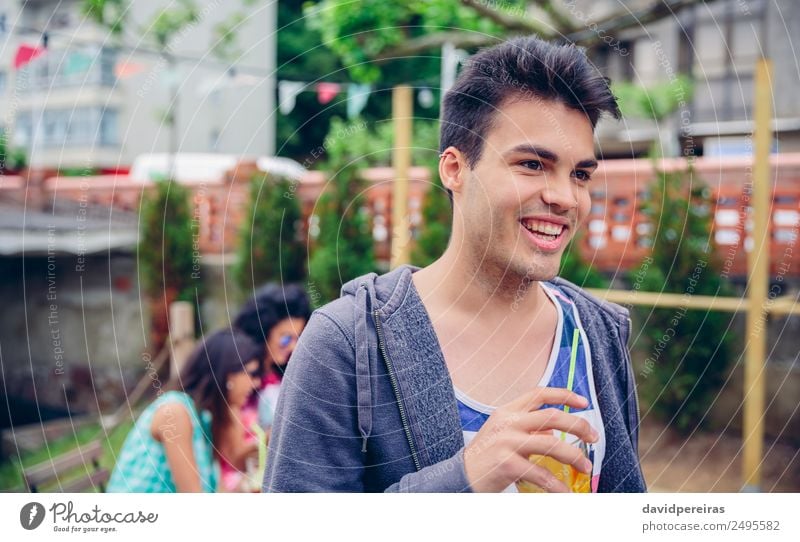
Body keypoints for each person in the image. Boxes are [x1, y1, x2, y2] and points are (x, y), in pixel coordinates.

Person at [264, 36, 646, 493]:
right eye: (531, 164)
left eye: (580, 174)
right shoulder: (348, 343)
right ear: (454, 169)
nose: (565, 197)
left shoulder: (597, 334)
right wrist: (465, 477)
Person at [107, 328, 264, 492]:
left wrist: (247, 487)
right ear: (226, 374)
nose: (257, 383)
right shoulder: (176, 413)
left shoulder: (203, 418)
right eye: (251, 373)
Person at [215, 283, 310, 491]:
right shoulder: (237, 380)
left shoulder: (283, 379)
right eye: (286, 338)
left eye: (298, 338)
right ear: (263, 331)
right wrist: (276, 434)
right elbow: (230, 457)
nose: (293, 347)